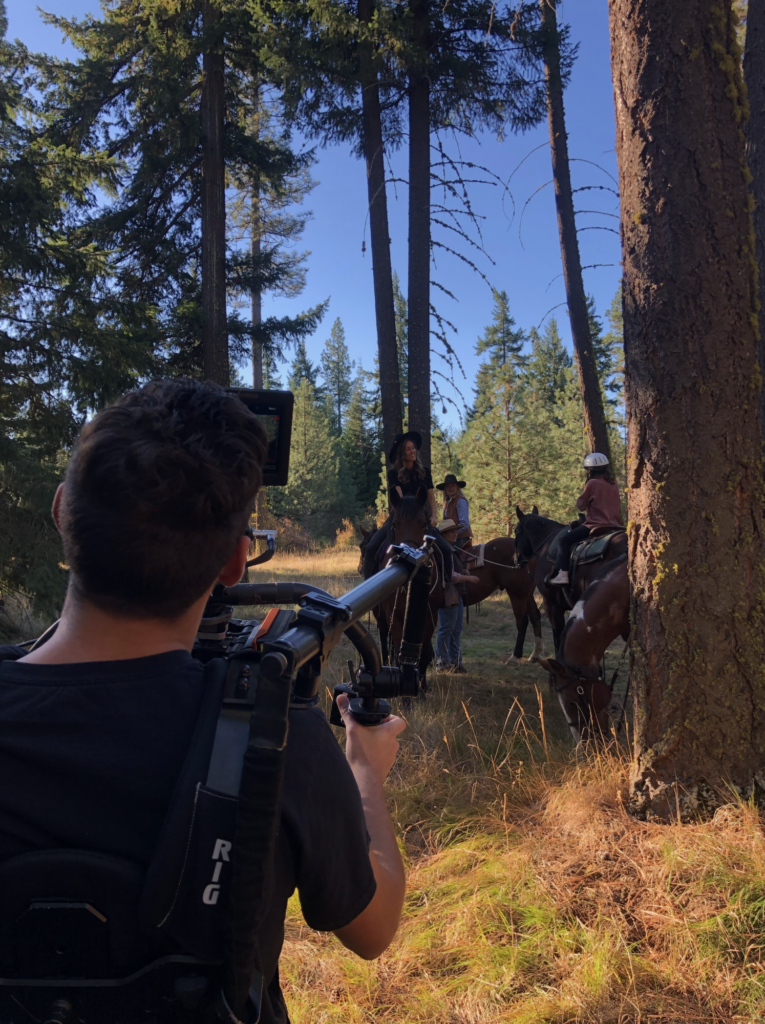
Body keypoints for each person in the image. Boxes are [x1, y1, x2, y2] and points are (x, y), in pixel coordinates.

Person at [0, 378, 407, 1024]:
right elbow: (373, 927)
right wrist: (365, 774)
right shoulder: (277, 737)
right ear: (234, 564)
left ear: (60, 511)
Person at [363, 431, 453, 582]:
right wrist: (407, 516)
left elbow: (430, 497)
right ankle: (369, 590)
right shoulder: (393, 474)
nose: (413, 451)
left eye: (413, 448)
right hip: (400, 517)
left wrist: (434, 516)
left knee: (445, 549)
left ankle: (448, 587)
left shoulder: (425, 472)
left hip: (421, 518)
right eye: (408, 449)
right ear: (402, 453)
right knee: (372, 547)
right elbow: (399, 499)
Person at [550, 452, 623, 586]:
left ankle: (563, 574)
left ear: (590, 470)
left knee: (563, 541)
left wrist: (581, 497)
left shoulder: (592, 483)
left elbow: (581, 505)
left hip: (595, 525)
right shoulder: (614, 484)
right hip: (615, 526)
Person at [434, 519, 479, 673]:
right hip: (448, 594)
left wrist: (463, 572)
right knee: (447, 628)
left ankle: (455, 662)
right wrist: (469, 578)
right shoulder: (443, 551)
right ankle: (442, 663)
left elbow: (454, 571)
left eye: (455, 531)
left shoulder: (451, 549)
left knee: (456, 629)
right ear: (444, 535)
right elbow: (450, 576)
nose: (455, 534)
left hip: (456, 594)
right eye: (451, 531)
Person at [436, 473, 472, 548]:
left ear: (457, 487)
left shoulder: (460, 501)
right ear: (445, 489)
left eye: (453, 485)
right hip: (451, 539)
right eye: (448, 486)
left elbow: (464, 523)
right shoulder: (447, 503)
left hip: (461, 539)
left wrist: (452, 534)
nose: (450, 488)